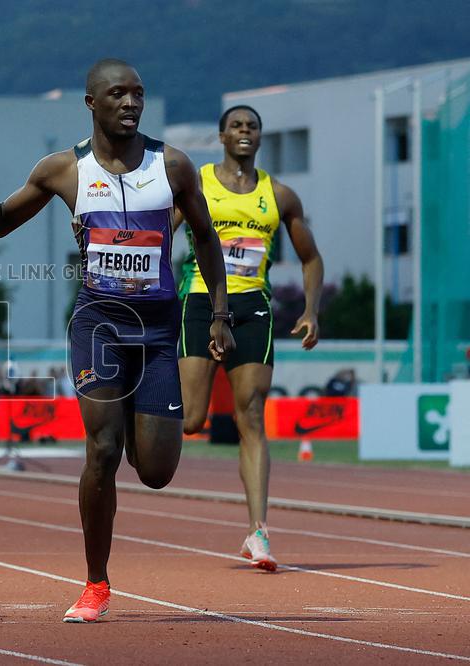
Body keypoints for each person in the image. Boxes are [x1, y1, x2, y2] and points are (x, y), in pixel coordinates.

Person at [0, 58, 234, 623]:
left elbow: (206, 238)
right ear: (91, 103)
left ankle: (141, 424)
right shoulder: (64, 170)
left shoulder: (174, 166)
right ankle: (95, 582)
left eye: (138, 94)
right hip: (99, 327)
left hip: (158, 331)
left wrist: (219, 313)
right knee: (102, 451)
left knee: (155, 472)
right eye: (117, 94)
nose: (130, 103)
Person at [174, 105, 324, 572]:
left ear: (259, 137)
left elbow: (311, 258)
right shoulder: (196, 183)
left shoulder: (279, 195)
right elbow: (161, 235)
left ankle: (258, 532)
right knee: (192, 420)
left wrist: (311, 310)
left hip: (252, 307)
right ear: (221, 135)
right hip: (200, 300)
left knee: (252, 416)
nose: (245, 132)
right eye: (237, 125)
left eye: (252, 127)